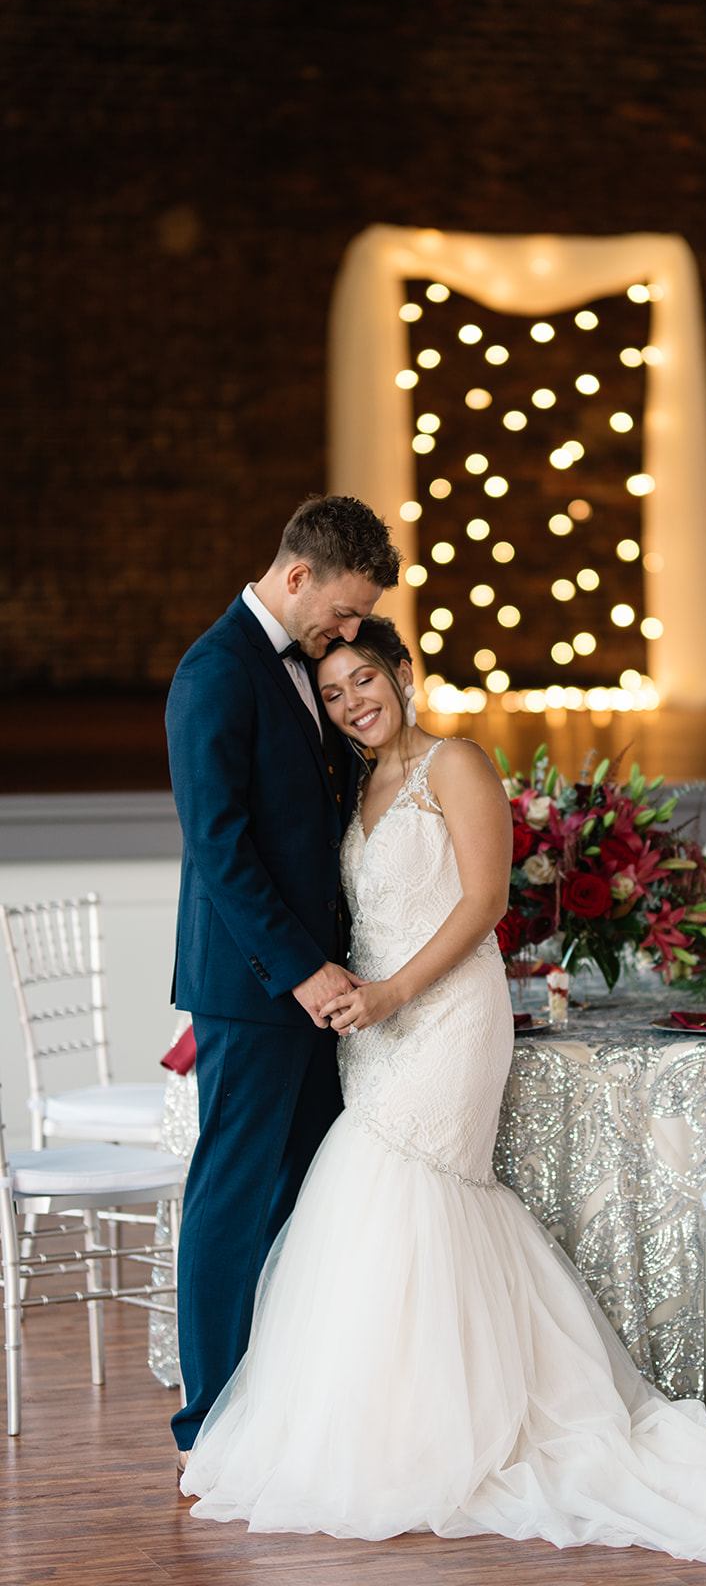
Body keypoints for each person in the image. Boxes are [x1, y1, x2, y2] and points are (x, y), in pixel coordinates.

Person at [179, 617, 706, 1567]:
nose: (352, 704)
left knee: (388, 1183)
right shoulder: (357, 783)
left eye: (364, 681)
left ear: (403, 671)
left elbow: (484, 906)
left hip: (444, 1018)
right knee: (386, 1205)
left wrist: (390, 992)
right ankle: (409, 1419)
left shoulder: (454, 765)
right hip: (375, 1031)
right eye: (335, 693)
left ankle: (426, 1436)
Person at [165, 495, 400, 1471]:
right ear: (297, 574)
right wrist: (302, 971)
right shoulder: (214, 672)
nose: (347, 635)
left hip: (315, 988)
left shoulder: (297, 665)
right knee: (230, 1197)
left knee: (305, 1195)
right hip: (254, 988)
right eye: (340, 613)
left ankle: (283, 1402)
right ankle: (207, 1425)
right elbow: (219, 851)